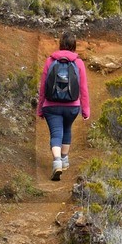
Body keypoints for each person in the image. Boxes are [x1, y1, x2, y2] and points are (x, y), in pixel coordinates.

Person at [37, 31, 90, 180]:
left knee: (56, 133)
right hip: (72, 106)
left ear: (60, 44)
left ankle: (57, 161)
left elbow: (43, 87)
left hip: (51, 105)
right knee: (66, 129)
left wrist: (40, 108)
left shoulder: (50, 60)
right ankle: (64, 158)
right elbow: (83, 88)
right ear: (74, 45)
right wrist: (85, 110)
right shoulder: (78, 62)